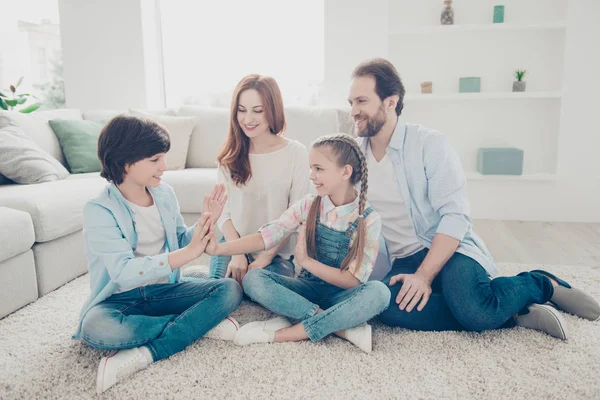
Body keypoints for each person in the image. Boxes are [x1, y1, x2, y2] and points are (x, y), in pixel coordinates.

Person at [347, 58, 600, 339]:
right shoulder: (354, 156)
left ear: (391, 102)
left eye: (361, 101)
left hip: (449, 248)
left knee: (473, 310)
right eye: (351, 103)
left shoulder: (429, 144)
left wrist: (424, 277)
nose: (354, 111)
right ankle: (513, 313)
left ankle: (541, 284)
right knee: (386, 307)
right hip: (404, 258)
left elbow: (455, 216)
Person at [72, 115, 242, 394]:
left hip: (165, 291)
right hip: (120, 299)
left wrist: (206, 223)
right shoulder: (98, 210)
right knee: (96, 329)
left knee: (229, 290)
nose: (164, 167)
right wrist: (189, 252)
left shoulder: (164, 194)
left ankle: (152, 350)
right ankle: (197, 323)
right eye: (155, 159)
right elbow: (124, 272)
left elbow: (179, 241)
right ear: (126, 162)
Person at [205, 133, 390, 353]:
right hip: (306, 290)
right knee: (254, 279)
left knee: (380, 292)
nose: (311, 176)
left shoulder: (369, 219)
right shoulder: (309, 205)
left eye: (319, 169)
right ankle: (338, 326)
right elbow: (267, 236)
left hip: (342, 296)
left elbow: (354, 282)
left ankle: (289, 332)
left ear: (345, 172)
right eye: (311, 168)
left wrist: (306, 262)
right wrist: (218, 248)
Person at [210, 74, 311, 285]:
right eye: (242, 110)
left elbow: (295, 216)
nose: (248, 119)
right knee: (221, 290)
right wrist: (237, 255)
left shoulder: (296, 153)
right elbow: (224, 214)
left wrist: (264, 258)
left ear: (272, 110)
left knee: (258, 286)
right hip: (233, 243)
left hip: (275, 252)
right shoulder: (229, 157)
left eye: (257, 111)